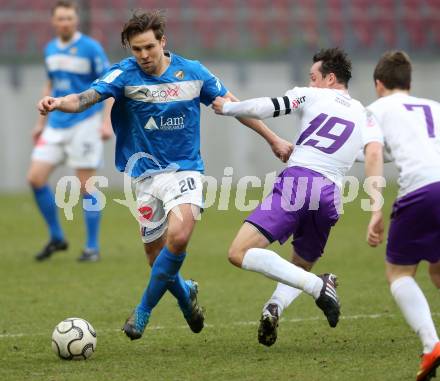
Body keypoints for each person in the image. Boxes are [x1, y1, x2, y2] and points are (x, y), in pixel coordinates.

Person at [37, 10, 293, 340]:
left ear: (163, 41)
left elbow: (233, 105)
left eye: (149, 47)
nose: (143, 55)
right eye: (136, 49)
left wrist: (273, 139)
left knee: (180, 236)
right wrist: (57, 102)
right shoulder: (123, 75)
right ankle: (187, 297)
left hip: (184, 171)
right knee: (155, 256)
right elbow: (85, 98)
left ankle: (142, 311)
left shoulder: (193, 72)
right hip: (144, 176)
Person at [213, 48, 383, 346]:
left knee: (237, 252)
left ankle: (320, 287)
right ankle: (274, 306)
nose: (311, 82)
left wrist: (227, 108)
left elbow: (268, 106)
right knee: (300, 265)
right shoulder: (363, 113)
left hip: (299, 182)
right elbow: (368, 153)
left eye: (314, 77)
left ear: (331, 78)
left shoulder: (311, 94)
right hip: (330, 195)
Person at [366, 51, 440, 381]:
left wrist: (376, 208)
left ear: (378, 84)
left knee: (398, 272)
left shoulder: (376, 110)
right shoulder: (435, 107)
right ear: (409, 82)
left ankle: (431, 345)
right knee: (438, 271)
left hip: (421, 189)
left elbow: (372, 153)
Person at [28, 0, 112, 262]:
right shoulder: (50, 49)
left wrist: (106, 122)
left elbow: (109, 85)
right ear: (53, 21)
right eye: (61, 18)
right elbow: (50, 84)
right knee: (35, 179)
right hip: (55, 124)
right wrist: (40, 123)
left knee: (86, 186)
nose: (65, 22)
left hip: (84, 123)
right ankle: (57, 236)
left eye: (69, 18)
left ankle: (92, 246)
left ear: (76, 20)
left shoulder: (90, 48)